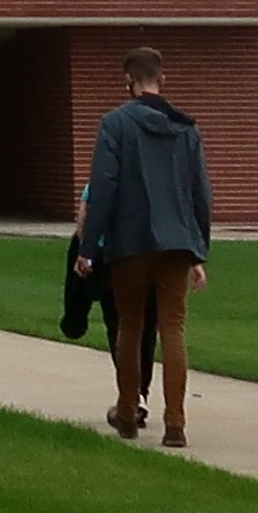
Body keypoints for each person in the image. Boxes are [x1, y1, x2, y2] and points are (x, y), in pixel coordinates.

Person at [75, 46, 213, 448]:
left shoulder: (115, 124)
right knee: (173, 328)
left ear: (128, 81)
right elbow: (201, 192)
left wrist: (90, 246)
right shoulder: (186, 128)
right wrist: (198, 249)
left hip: (130, 241)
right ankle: (175, 421)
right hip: (176, 243)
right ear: (162, 80)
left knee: (131, 325)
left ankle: (128, 411)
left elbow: (104, 187)